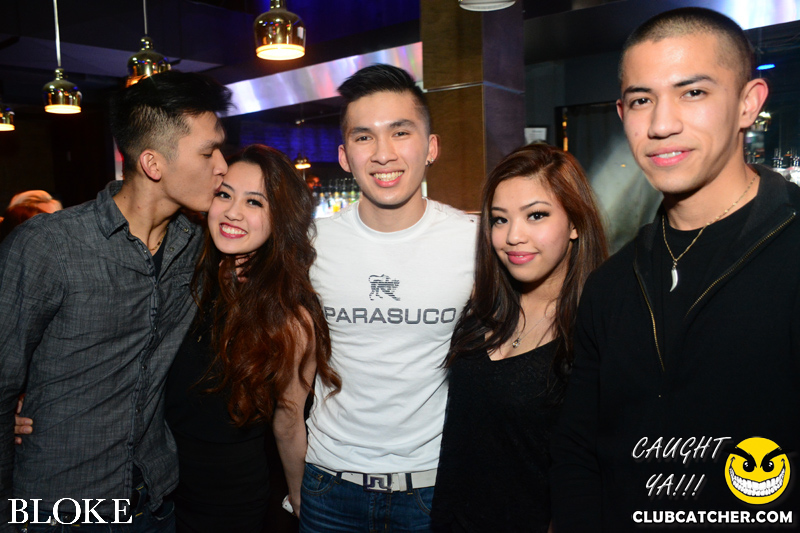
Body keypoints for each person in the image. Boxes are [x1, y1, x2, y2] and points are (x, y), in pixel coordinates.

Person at [551, 7, 800, 531]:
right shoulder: (610, 284)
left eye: (693, 92)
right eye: (642, 100)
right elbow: (579, 451)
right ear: (622, 113)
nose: (662, 125)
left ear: (748, 103)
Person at [0, 70, 230, 531]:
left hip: (156, 498)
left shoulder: (198, 246)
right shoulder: (49, 246)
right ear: (152, 163)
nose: (223, 165)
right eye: (208, 153)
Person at [300, 64, 478, 531]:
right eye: (364, 137)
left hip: (434, 487)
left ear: (431, 147)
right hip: (328, 484)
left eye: (401, 132)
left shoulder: (475, 241)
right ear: (344, 156)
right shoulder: (311, 245)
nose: (383, 154)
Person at [430, 143, 607, 532]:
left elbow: (600, 470)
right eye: (500, 219)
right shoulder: (480, 310)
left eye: (536, 215)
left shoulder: (597, 330)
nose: (513, 236)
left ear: (575, 223)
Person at [163, 144, 340, 531]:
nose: (233, 212)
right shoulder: (182, 279)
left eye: (254, 202)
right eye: (224, 195)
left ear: (281, 219)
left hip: (227, 502)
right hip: (154, 489)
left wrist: (299, 498)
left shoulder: (289, 316)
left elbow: (288, 421)